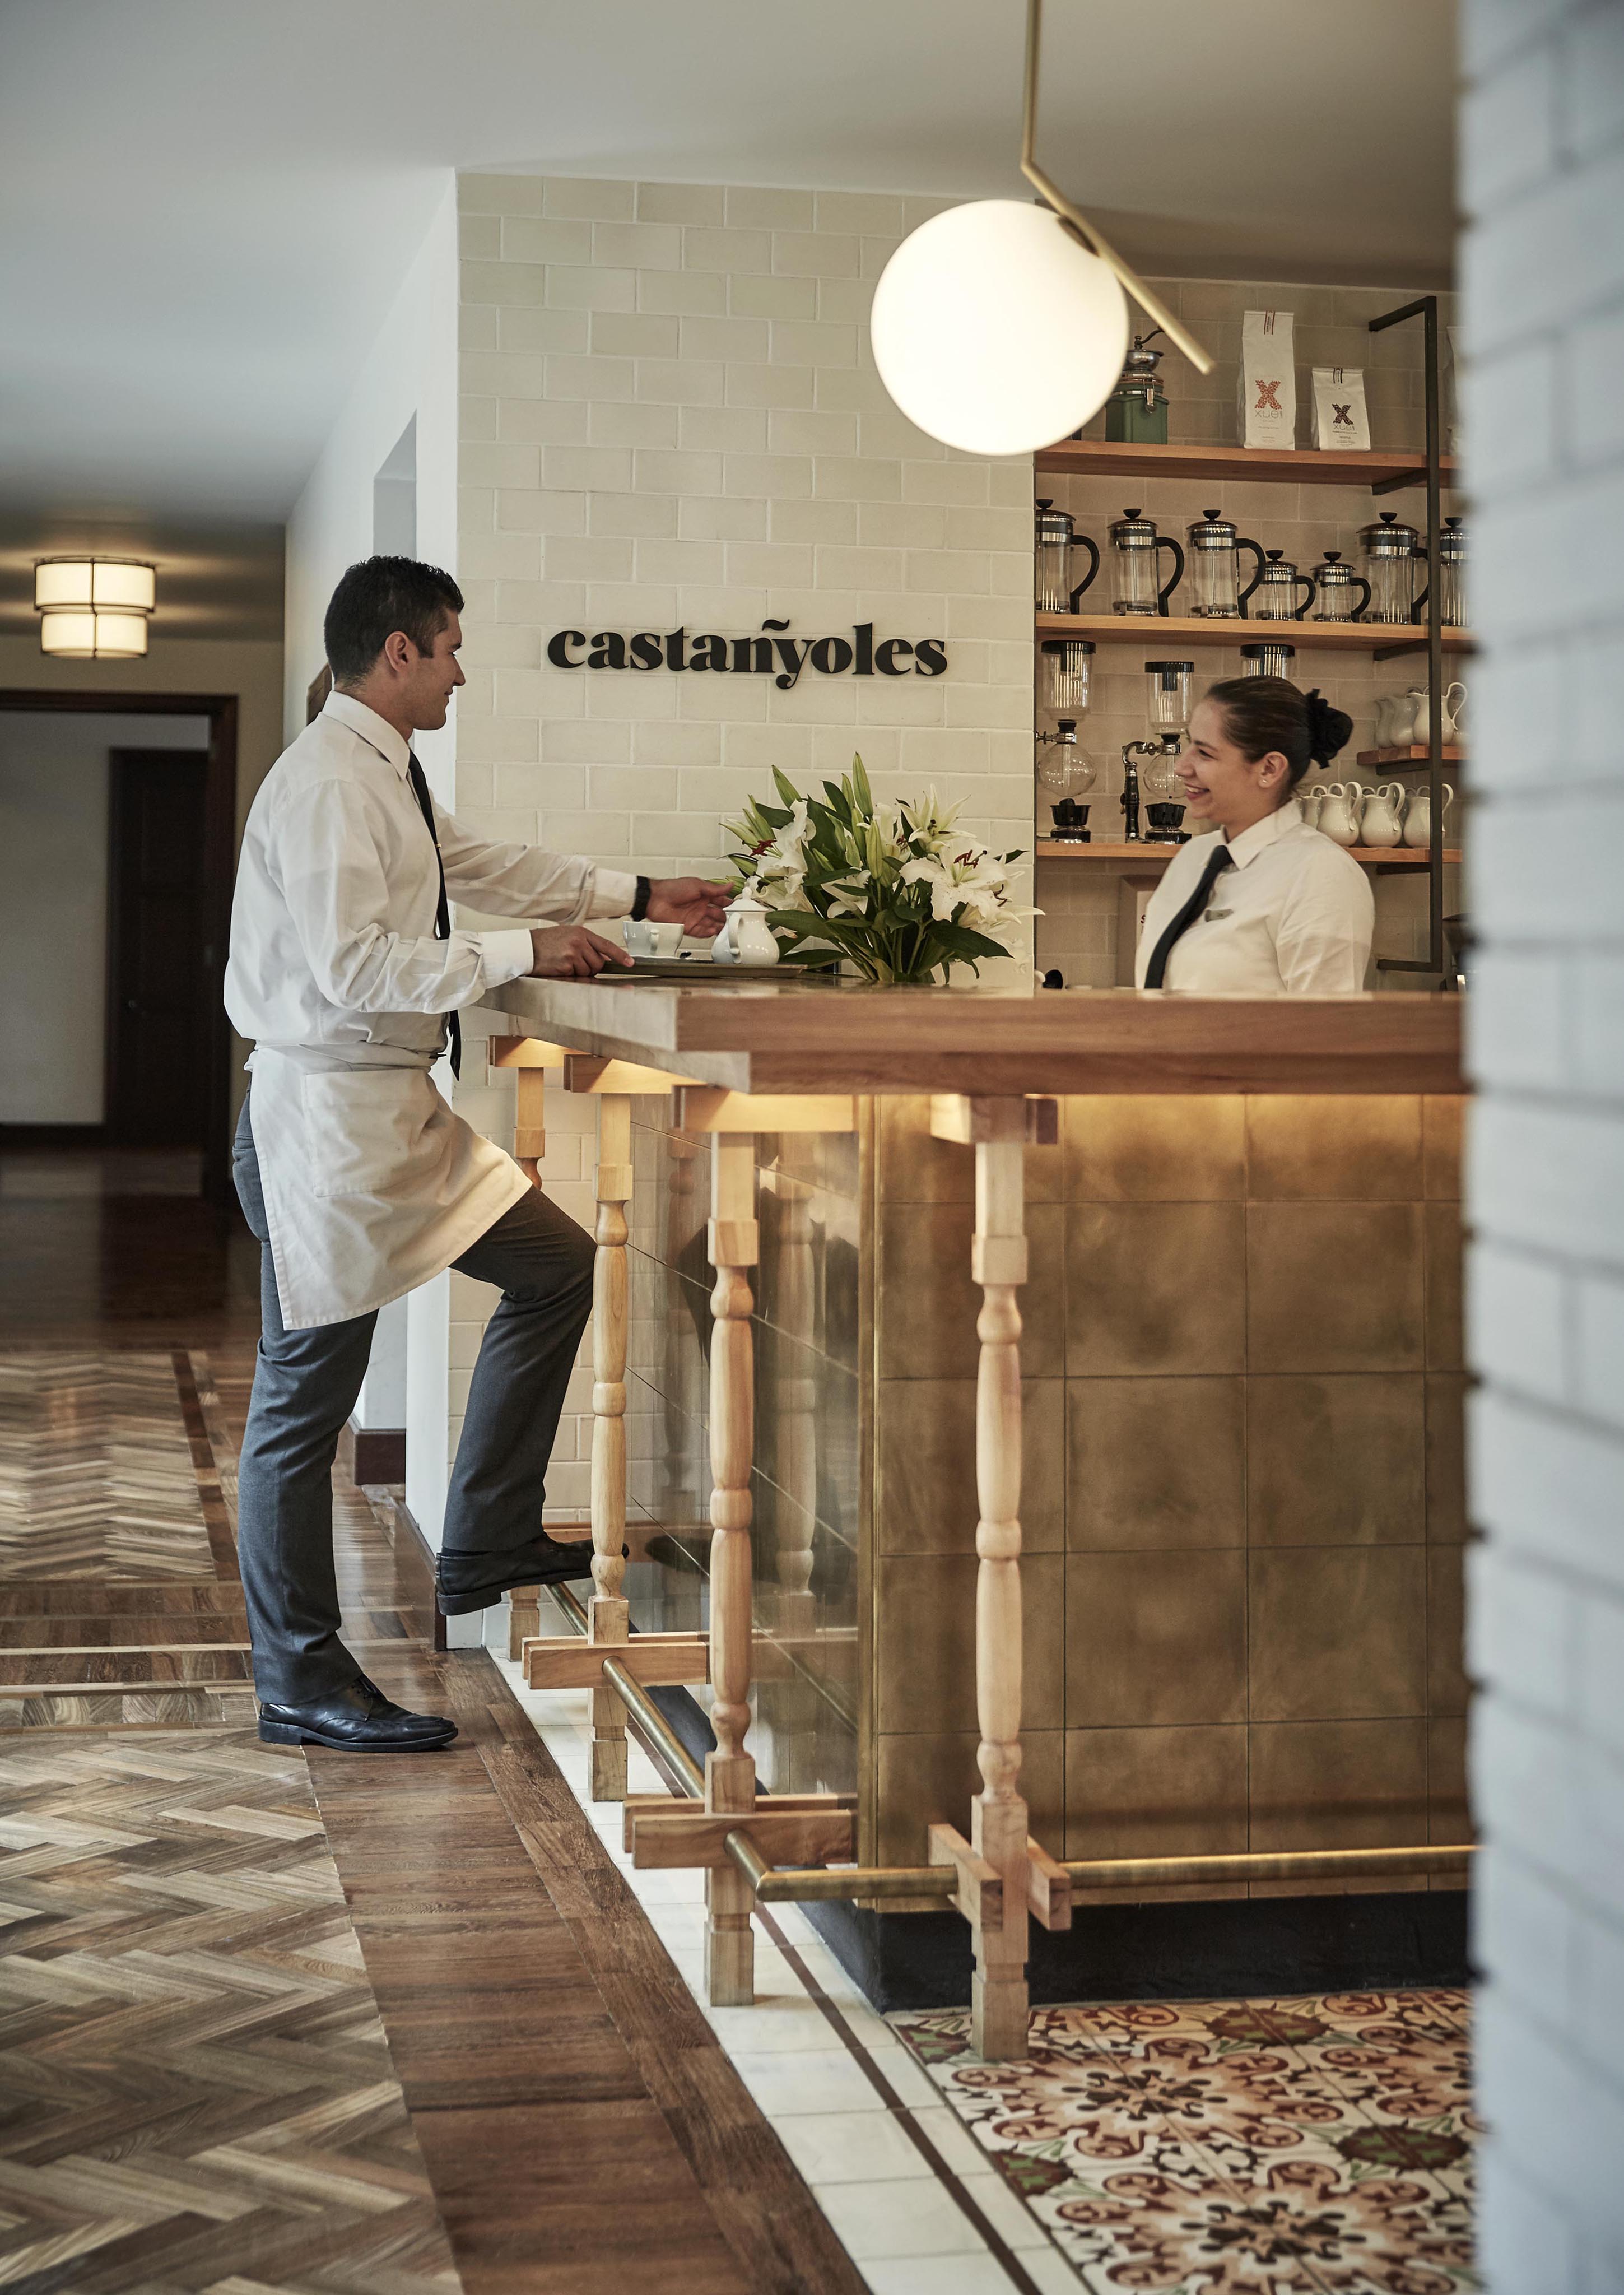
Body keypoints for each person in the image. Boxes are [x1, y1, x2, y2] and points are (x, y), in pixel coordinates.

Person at [225, 556, 729, 1753]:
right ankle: (297, 1679)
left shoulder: (384, 768)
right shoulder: (327, 784)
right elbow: (354, 967)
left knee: (557, 1265)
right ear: (398, 652)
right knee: (301, 1412)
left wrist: (639, 893)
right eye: (450, 648)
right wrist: (522, 952)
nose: (460, 671)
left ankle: (487, 1538)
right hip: (324, 1131)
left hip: (390, 1113)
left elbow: (481, 865)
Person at [1134, 677, 1374, 995]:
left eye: (1204, 753)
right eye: (1190, 744)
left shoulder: (1321, 873)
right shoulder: (1194, 857)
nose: (1182, 767)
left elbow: (1326, 1021)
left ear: (1269, 769)